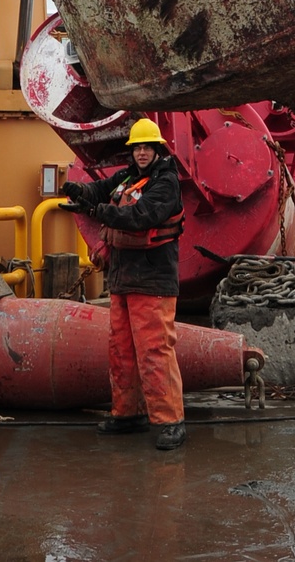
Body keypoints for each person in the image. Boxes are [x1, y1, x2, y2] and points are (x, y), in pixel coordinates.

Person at [61, 118, 186, 449]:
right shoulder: (128, 176)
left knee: (155, 352)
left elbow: (139, 217)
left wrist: (96, 209)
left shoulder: (166, 183)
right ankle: (127, 414)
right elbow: (101, 191)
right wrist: (82, 192)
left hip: (153, 281)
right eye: (137, 148)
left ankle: (171, 420)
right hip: (123, 278)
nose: (142, 152)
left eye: (147, 147)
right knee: (122, 352)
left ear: (158, 149)